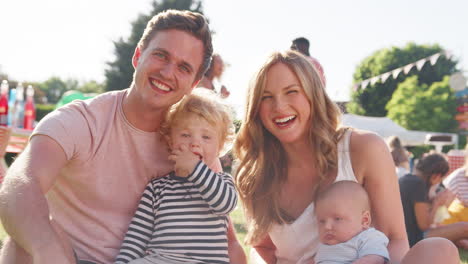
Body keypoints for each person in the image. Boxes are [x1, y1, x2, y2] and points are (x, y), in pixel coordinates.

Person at [0, 10, 246, 264]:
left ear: (193, 84)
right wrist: (46, 250)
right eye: (161, 55)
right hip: (66, 257)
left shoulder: (192, 143)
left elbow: (226, 239)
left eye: (183, 67)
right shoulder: (81, 120)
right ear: (138, 55)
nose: (167, 72)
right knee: (21, 247)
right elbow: (22, 183)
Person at [233, 50, 459, 264]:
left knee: (439, 249)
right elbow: (262, 248)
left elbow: (395, 239)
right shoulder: (254, 173)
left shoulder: (363, 148)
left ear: (314, 95)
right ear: (255, 108)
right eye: (266, 97)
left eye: (292, 91)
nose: (279, 106)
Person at [115, 91, 237, 264]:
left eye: (206, 137)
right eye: (185, 135)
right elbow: (137, 236)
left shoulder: (221, 182)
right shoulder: (157, 188)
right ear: (170, 141)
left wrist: (195, 168)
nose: (195, 143)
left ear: (220, 147)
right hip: (161, 259)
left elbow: (226, 204)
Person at [399, 153, 468, 249]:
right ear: (436, 176)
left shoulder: (408, 179)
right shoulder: (418, 184)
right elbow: (424, 226)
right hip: (413, 239)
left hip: (406, 237)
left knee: (455, 231)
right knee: (465, 227)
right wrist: (437, 203)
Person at [314, 181, 389, 264]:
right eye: (322, 221)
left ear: (364, 220)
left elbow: (375, 259)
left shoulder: (367, 238)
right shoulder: (323, 246)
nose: (327, 226)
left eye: (337, 219)